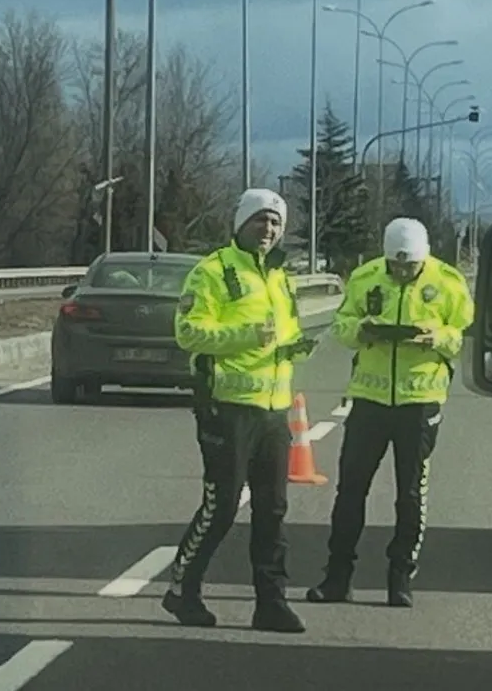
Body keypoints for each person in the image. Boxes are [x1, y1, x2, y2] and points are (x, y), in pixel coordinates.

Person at [161, 187, 314, 634]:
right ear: (240, 223)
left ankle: (271, 602)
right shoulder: (213, 271)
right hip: (226, 407)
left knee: (273, 509)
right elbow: (189, 332)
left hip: (273, 410)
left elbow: (281, 334)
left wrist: (294, 347)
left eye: (274, 223)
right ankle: (182, 591)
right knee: (222, 505)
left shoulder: (280, 276)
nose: (267, 230)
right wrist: (247, 336)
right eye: (259, 221)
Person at [305, 217, 474, 608]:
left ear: (423, 258)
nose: (402, 273)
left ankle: (400, 577)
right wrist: (361, 330)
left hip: (420, 401)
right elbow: (342, 326)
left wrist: (438, 337)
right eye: (396, 267)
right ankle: (337, 577)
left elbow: (461, 332)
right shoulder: (365, 278)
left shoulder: (448, 281)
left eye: (409, 267)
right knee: (350, 491)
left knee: (411, 493)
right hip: (369, 399)